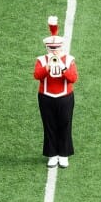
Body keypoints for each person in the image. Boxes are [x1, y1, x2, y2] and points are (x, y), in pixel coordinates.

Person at [35, 16, 78, 168]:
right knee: (49, 125)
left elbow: (73, 78)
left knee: (65, 124)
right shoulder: (41, 60)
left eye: (57, 49)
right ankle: (52, 154)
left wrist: (63, 67)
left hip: (65, 97)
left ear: (61, 48)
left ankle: (64, 154)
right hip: (46, 97)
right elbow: (37, 76)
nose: (54, 52)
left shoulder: (69, 60)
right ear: (47, 48)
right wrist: (47, 67)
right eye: (51, 49)